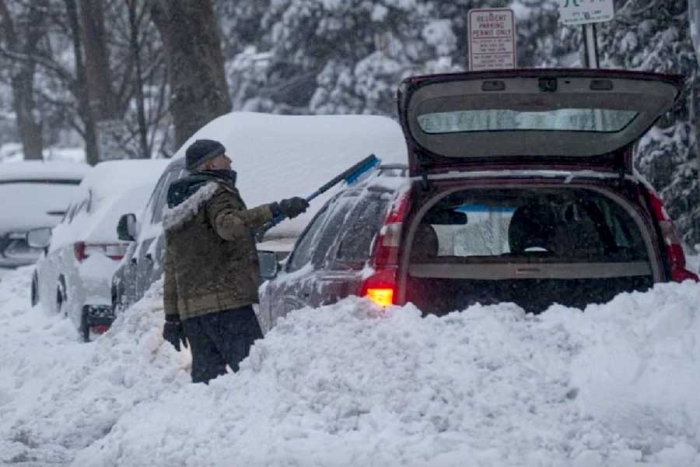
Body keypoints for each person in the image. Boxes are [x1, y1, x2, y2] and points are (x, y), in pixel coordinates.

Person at [161, 139, 308, 383]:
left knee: (208, 388)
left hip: (194, 316)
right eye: (223, 156)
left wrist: (173, 317)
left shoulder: (177, 208)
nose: (229, 161)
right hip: (227, 308)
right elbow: (229, 227)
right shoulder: (216, 192)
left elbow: (173, 266)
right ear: (209, 164)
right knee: (254, 377)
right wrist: (274, 209)